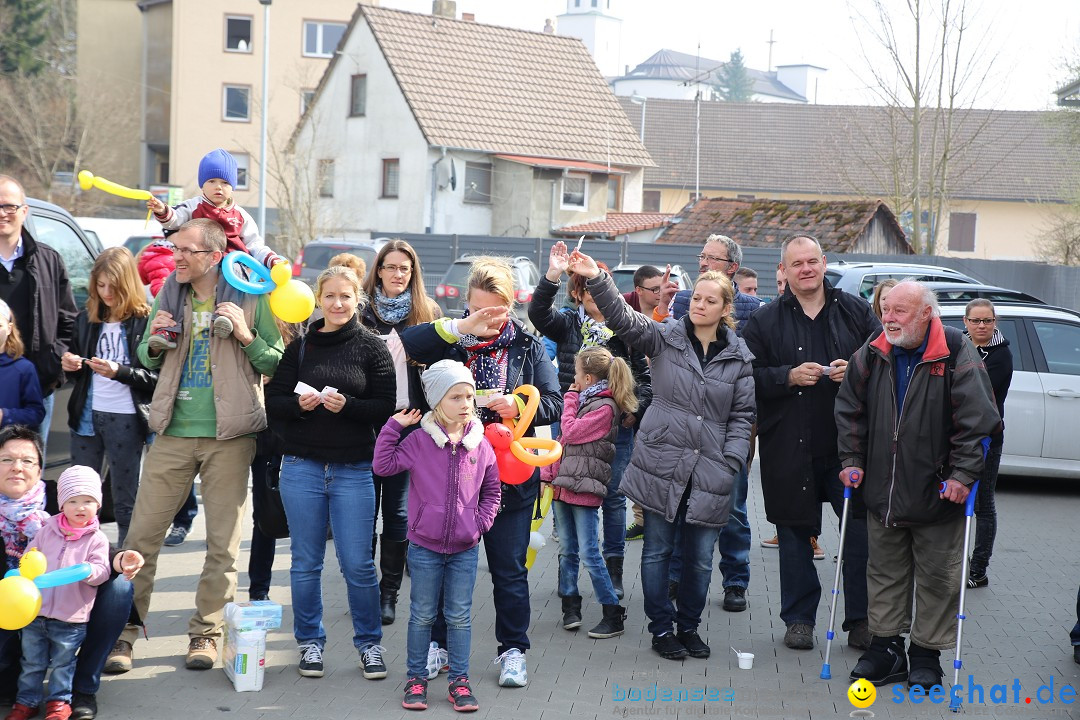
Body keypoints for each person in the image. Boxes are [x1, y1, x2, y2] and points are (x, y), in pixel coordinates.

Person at [111, 218, 283, 673]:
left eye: (187, 250)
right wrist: (156, 337)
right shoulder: (170, 290)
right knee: (140, 539)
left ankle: (206, 633)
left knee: (222, 546)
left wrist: (245, 334)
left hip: (230, 435)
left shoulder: (250, 293)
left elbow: (276, 361)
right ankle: (124, 634)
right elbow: (147, 354)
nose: (177, 257)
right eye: (175, 249)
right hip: (171, 431)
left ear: (214, 255)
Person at [569, 250, 754, 661]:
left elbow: (743, 415)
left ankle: (689, 626)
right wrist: (596, 278)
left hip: (711, 470)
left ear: (726, 308)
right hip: (661, 462)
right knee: (656, 551)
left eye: (710, 300)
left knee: (702, 559)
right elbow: (621, 317)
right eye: (697, 299)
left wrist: (733, 462)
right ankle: (661, 629)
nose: (701, 305)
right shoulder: (666, 337)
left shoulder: (740, 357)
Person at [401, 256, 561, 688]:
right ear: (468, 305)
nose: (488, 318)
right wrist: (460, 327)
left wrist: (520, 405)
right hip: (449, 478)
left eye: (496, 310)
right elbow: (405, 343)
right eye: (478, 309)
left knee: (509, 571)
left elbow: (555, 402)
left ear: (511, 305)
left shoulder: (527, 345)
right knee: (443, 569)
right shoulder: (450, 341)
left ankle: (512, 650)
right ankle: (438, 646)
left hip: (508, 476)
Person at [835, 280, 999, 690]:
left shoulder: (956, 351)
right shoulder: (872, 352)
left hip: (937, 492)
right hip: (883, 492)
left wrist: (963, 475)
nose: (888, 318)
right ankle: (886, 649)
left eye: (899, 311)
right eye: (885, 309)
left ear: (927, 314)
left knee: (938, 577)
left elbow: (978, 421)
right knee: (884, 574)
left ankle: (926, 654)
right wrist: (852, 461)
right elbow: (850, 411)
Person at [742, 236, 880, 652]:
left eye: (812, 261)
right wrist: (786, 376)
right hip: (789, 445)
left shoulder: (856, 312)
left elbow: (885, 360)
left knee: (860, 535)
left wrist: (856, 370)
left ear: (824, 264)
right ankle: (799, 619)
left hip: (849, 447)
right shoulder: (764, 321)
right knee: (793, 535)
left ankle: (862, 620)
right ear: (783, 270)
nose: (806, 269)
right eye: (796, 263)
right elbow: (746, 377)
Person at [265, 265, 396, 681]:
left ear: (358, 298)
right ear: (318, 300)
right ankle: (309, 644)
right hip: (301, 469)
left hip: (354, 470)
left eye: (346, 296)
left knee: (357, 564)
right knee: (305, 563)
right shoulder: (300, 348)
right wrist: (299, 405)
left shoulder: (372, 347)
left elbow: (385, 408)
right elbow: (274, 402)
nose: (338, 304)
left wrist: (349, 407)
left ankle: (370, 645)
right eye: (330, 297)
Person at [372, 360, 500, 712]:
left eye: (469, 396)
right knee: (422, 615)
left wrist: (480, 524)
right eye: (455, 396)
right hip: (424, 546)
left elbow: (492, 490)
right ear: (436, 401)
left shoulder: (480, 443)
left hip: (465, 548)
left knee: (459, 617)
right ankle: (415, 679)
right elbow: (383, 466)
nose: (465, 404)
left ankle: (459, 681)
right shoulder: (418, 440)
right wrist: (392, 426)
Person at [529, 245, 652, 600]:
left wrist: (634, 408)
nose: (596, 294)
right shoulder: (567, 323)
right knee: (564, 494)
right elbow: (538, 313)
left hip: (614, 431)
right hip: (570, 429)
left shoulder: (625, 328)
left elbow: (643, 378)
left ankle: (613, 570)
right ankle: (568, 575)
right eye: (588, 288)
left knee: (612, 499)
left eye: (602, 285)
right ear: (579, 294)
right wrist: (552, 274)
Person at [0, 426, 145, 720]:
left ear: (40, 468)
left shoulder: (63, 497)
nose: (17, 467)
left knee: (119, 589)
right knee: (12, 679)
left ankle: (81, 690)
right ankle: (20, 693)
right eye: (7, 459)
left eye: (27, 460)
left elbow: (94, 541)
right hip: (9, 605)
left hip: (63, 603)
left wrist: (120, 559)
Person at [654, 234, 761, 613]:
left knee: (732, 507)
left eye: (712, 258)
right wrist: (662, 305)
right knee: (683, 504)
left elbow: (752, 368)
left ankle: (735, 581)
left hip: (727, 425)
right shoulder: (683, 301)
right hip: (685, 424)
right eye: (701, 256)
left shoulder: (752, 308)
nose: (703, 263)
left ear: (732, 268)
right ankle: (676, 577)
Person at [360, 239, 440, 625]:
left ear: (413, 274)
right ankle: (364, 586)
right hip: (363, 423)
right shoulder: (361, 312)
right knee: (361, 512)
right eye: (390, 267)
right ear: (378, 271)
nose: (396, 275)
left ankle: (388, 593)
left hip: (408, 424)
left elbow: (446, 371)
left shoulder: (427, 313)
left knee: (396, 511)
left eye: (404, 269)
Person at [61, 248, 157, 546]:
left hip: (126, 417)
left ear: (127, 284)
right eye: (100, 286)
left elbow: (157, 380)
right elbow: (78, 377)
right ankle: (80, 556)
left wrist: (120, 372)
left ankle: (124, 566)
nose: (106, 293)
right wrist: (71, 365)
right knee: (79, 497)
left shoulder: (145, 320)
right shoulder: (86, 320)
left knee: (125, 498)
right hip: (87, 417)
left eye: (112, 287)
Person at [144, 149, 285, 350]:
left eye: (225, 183)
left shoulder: (240, 215)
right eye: (212, 181)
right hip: (200, 264)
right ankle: (167, 328)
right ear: (202, 184)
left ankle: (224, 317)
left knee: (231, 273)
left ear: (233, 187)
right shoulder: (194, 206)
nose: (218, 187)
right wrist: (161, 210)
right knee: (173, 281)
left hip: (233, 265)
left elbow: (255, 245)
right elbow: (174, 218)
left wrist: (272, 260)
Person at [543, 346, 637, 638]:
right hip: (564, 483)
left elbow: (570, 431)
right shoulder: (588, 401)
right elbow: (563, 443)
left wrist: (569, 399)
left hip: (584, 487)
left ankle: (612, 613)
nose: (573, 381)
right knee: (566, 550)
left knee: (589, 553)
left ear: (587, 377)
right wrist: (549, 474)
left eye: (576, 376)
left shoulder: (604, 407)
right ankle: (571, 607)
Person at [8, 467, 112, 720]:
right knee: (31, 663)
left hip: (70, 616)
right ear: (62, 504)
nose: (80, 507)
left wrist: (88, 570)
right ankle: (26, 701)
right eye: (73, 501)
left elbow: (102, 571)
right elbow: (30, 560)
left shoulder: (97, 538)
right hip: (36, 612)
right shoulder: (46, 531)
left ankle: (58, 702)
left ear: (97, 505)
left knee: (63, 664)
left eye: (88, 501)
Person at [0, 175, 77, 454]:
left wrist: (53, 363)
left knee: (28, 473)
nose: (2, 214)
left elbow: (68, 319)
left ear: (24, 211)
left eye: (9, 206)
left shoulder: (48, 259)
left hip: (36, 388)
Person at [962, 299, 1012, 589]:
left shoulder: (1001, 355)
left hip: (986, 439)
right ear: (965, 322)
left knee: (984, 505)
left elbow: (976, 394)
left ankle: (978, 569)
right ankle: (949, 565)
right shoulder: (958, 346)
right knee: (951, 503)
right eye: (976, 321)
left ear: (995, 322)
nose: (982, 326)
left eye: (987, 321)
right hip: (955, 438)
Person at [620, 265, 663, 542]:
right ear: (639, 290)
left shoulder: (670, 312)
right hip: (635, 397)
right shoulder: (626, 312)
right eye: (654, 289)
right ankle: (640, 519)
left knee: (654, 463)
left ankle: (654, 519)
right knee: (635, 462)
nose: (660, 293)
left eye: (662, 287)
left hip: (663, 399)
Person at [0, 300, 45, 429]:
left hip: (7, 444)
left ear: (9, 328)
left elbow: (36, 413)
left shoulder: (23, 368)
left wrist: (5, 415)